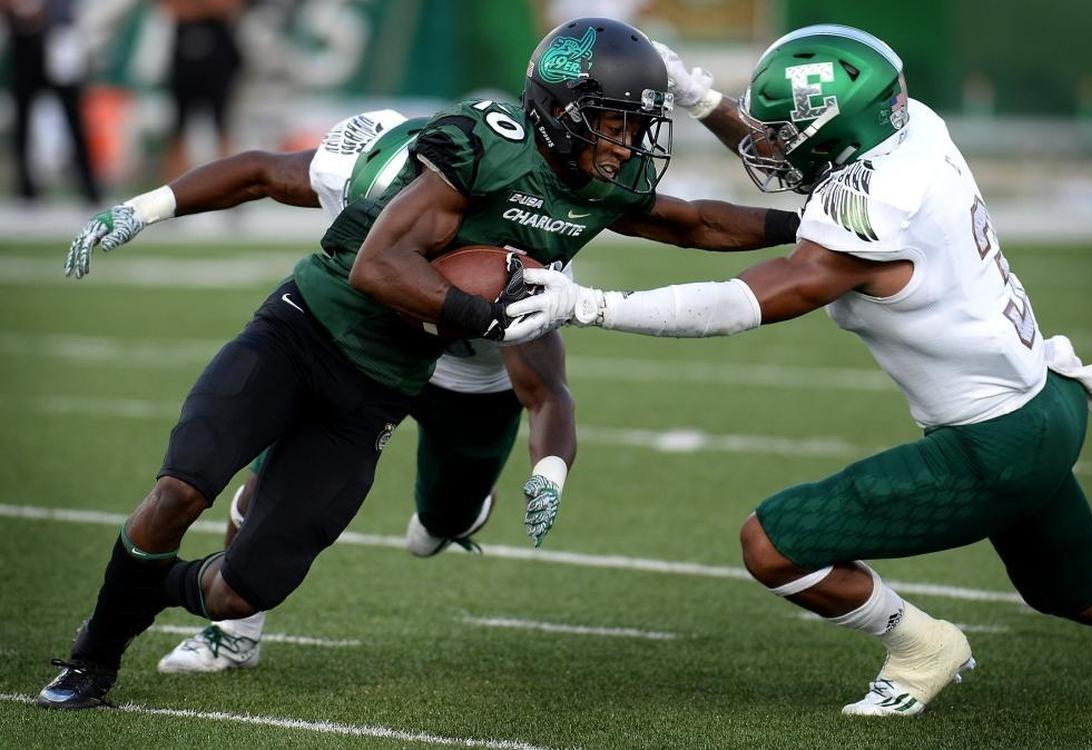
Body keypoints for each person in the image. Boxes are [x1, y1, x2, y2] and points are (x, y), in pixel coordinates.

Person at [37, 16, 801, 709]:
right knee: (180, 487)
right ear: (559, 112)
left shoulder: (603, 185)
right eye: (610, 123)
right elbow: (363, 255)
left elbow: (701, 222)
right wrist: (141, 209)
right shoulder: (468, 148)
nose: (627, 144)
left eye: (634, 127)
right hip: (300, 332)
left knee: (243, 591)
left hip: (379, 388)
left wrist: (812, 227)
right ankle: (93, 657)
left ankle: (144, 593)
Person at [508, 24, 1092, 717]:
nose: (764, 140)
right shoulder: (911, 128)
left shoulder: (871, 210)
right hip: (1049, 402)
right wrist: (700, 97)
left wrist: (592, 304)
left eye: (781, 130)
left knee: (774, 545)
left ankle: (923, 645)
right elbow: (803, 155)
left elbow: (741, 303)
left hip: (998, 447)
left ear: (835, 135)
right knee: (1078, 591)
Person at [64, 108, 580, 673]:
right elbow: (259, 172)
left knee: (441, 522)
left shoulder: (524, 255)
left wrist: (548, 472)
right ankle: (234, 632)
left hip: (473, 385)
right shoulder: (364, 167)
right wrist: (144, 209)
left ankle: (456, 515)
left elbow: (547, 392)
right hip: (367, 360)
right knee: (262, 477)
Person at [2, 0, 101, 203]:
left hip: (59, 39)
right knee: (23, 119)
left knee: (73, 118)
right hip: (24, 39)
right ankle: (26, 188)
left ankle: (89, 187)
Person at [161, 0, 244, 181]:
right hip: (184, 57)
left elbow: (228, 7)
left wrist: (199, 7)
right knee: (177, 128)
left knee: (223, 124)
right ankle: (173, 188)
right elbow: (173, 9)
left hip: (219, 58)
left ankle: (230, 184)